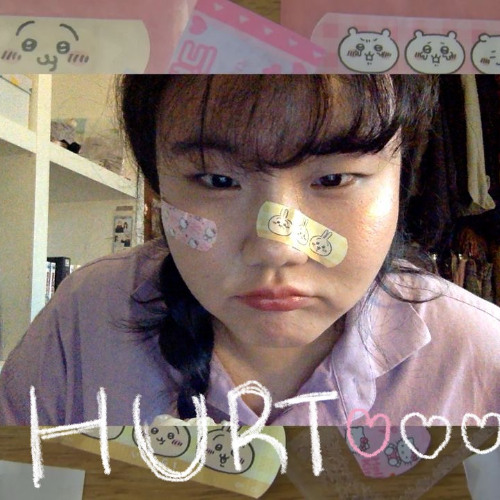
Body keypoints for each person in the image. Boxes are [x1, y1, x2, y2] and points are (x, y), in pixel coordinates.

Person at [1, 75, 499, 426]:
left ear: (401, 177)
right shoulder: (86, 320)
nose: (277, 249)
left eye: (333, 179)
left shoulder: (479, 356)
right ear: (157, 186)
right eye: (218, 180)